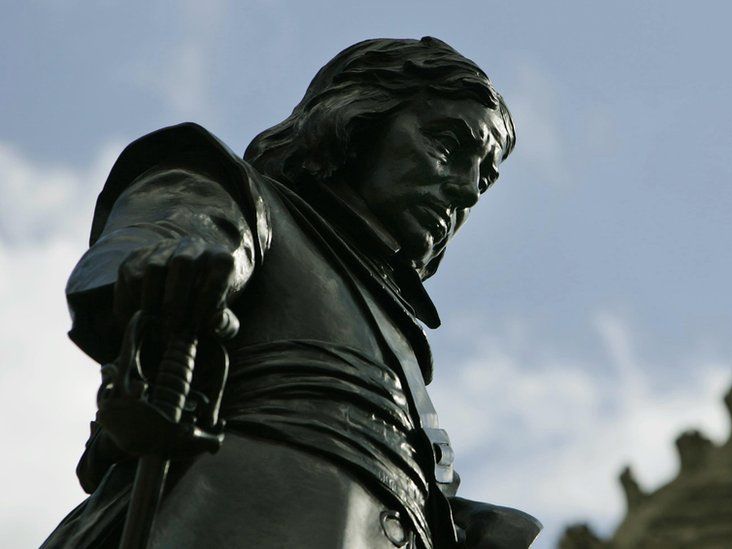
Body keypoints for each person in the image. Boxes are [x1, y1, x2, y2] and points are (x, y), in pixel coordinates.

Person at [43, 36, 541, 548]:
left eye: (482, 181)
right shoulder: (245, 198)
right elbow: (142, 251)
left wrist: (457, 524)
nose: (464, 189)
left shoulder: (399, 337)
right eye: (447, 145)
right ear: (357, 120)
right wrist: (181, 265)